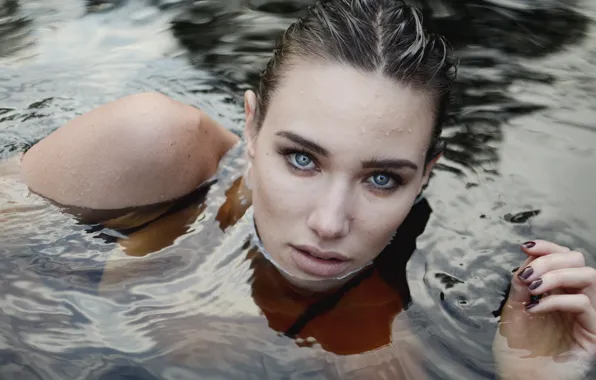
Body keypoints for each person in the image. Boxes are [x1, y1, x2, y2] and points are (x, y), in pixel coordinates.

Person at [14, 0, 596, 378]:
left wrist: (532, 373)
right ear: (251, 124)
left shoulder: (377, 349)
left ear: (428, 174)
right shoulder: (150, 146)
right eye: (301, 158)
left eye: (382, 178)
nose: (329, 221)